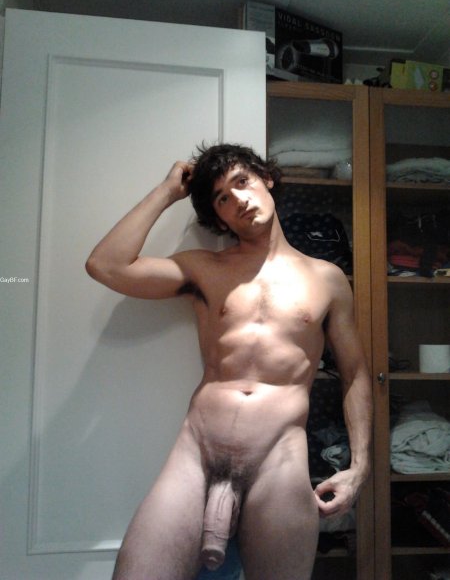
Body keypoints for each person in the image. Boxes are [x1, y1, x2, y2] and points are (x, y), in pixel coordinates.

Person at [85, 144, 372, 580]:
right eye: (222, 197)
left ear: (266, 179)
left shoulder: (327, 279)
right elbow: (106, 265)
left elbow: (355, 374)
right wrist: (167, 192)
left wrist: (359, 467)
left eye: (242, 182)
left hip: (279, 458)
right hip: (197, 451)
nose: (238, 198)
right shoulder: (204, 268)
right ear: (219, 219)